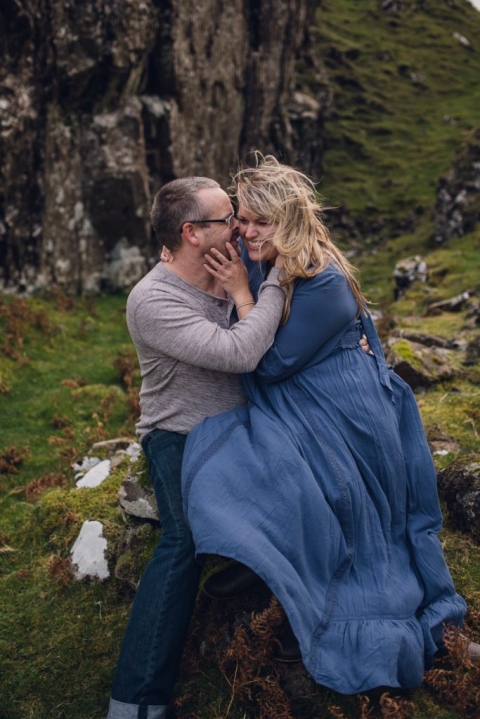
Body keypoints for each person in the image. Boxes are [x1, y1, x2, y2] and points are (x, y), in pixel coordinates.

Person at [181, 155, 470, 694]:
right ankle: (266, 562)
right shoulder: (260, 252)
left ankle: (326, 616)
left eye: (258, 222)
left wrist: (244, 294)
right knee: (227, 452)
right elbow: (194, 249)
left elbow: (265, 363)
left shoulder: (324, 281)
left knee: (331, 495)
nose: (246, 232)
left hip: (343, 404)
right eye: (242, 219)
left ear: (288, 220)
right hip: (296, 396)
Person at [106, 176, 287, 719]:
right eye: (228, 218)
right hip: (179, 432)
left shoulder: (233, 259)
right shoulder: (153, 300)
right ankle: (136, 700)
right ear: (191, 234)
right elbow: (241, 352)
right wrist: (264, 285)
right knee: (182, 543)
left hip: (245, 426)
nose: (240, 225)